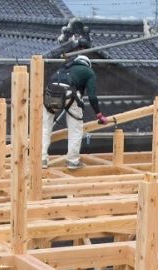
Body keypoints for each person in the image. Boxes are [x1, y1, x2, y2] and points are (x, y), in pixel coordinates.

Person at [40, 36, 108, 170]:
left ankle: (42, 159)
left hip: (50, 92)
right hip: (70, 93)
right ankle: (72, 161)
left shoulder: (65, 67)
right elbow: (92, 96)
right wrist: (99, 114)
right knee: (75, 128)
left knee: (45, 127)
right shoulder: (89, 72)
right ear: (87, 64)